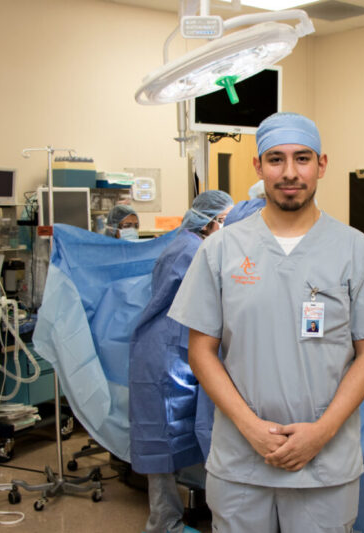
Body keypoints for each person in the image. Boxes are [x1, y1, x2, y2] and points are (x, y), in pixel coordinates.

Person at [167, 112, 364, 533]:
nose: (290, 173)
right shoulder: (221, 250)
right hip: (241, 459)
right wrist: (250, 427)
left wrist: (322, 431)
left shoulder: (356, 250)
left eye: (302, 159)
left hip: (325, 461)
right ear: (259, 167)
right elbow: (200, 349)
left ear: (322, 165)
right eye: (276, 160)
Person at [129, 190, 234, 533]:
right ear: (210, 221)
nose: (226, 226)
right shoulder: (189, 250)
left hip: (178, 348)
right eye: (224, 220)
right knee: (162, 440)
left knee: (183, 434)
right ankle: (163, 523)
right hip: (164, 355)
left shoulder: (191, 245)